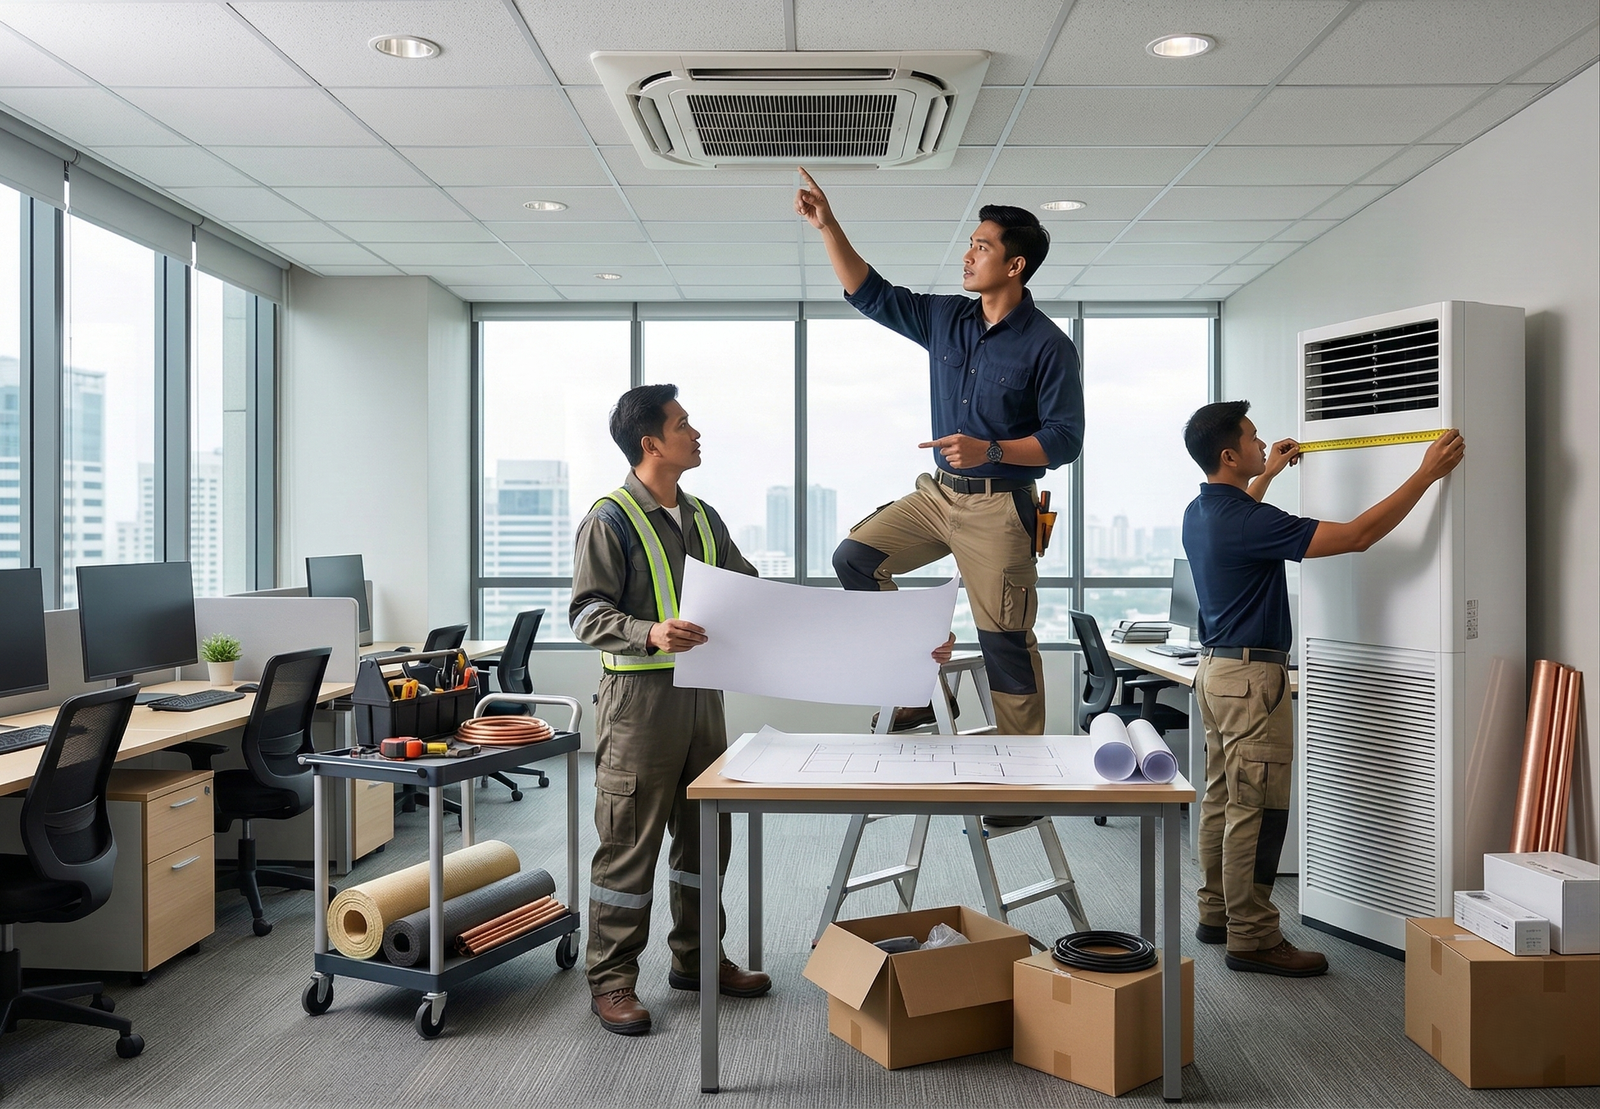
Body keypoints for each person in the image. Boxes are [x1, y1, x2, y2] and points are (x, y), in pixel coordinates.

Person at [795, 167, 1083, 755]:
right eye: (971, 243)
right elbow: (872, 294)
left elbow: (1065, 439)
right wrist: (828, 226)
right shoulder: (947, 318)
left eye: (982, 246)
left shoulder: (1049, 345)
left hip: (1000, 506)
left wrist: (992, 449)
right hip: (937, 495)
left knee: (1005, 639)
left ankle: (1021, 775)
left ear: (1014, 265)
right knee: (855, 557)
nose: (968, 253)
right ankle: (919, 689)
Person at [1181, 401, 1464, 976]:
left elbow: (1245, 512)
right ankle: (1254, 938)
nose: (1264, 446)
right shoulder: (1249, 522)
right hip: (1252, 680)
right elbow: (1359, 535)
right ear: (1229, 455)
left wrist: (1266, 475)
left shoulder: (1201, 510)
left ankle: (1216, 914)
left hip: (1214, 676)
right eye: (1254, 440)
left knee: (1220, 801)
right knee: (1256, 810)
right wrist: (1426, 473)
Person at [569, 384, 770, 1036]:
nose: (696, 431)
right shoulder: (611, 518)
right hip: (639, 705)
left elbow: (748, 590)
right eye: (684, 423)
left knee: (706, 836)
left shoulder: (705, 518)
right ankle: (612, 980)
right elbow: (586, 613)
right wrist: (650, 631)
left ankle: (697, 959)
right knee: (630, 845)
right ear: (651, 442)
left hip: (703, 699)